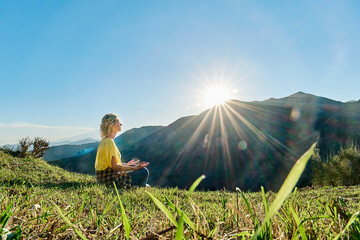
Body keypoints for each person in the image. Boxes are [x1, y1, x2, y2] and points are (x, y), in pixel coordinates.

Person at [95, 113, 150, 188]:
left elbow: (109, 164)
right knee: (144, 171)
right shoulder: (109, 142)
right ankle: (139, 187)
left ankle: (137, 185)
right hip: (110, 179)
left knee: (134, 166)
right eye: (118, 122)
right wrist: (134, 168)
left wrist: (126, 165)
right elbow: (115, 166)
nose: (121, 124)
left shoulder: (104, 141)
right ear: (112, 125)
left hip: (102, 178)